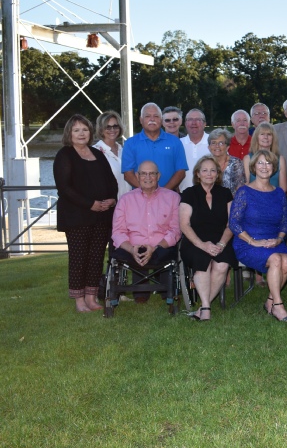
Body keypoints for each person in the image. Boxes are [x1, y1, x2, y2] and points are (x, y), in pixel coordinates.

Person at [54, 115, 118, 312]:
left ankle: (91, 298)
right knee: (79, 258)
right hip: (77, 217)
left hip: (102, 216)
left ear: (90, 132)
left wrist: (111, 199)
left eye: (85, 129)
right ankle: (79, 300)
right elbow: (64, 188)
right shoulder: (65, 155)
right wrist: (90, 204)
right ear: (69, 134)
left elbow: (111, 181)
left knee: (96, 257)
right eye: (76, 130)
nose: (81, 133)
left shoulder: (98, 154)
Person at [228, 150, 287, 321]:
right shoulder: (244, 192)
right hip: (247, 242)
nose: (264, 167)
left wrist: (279, 239)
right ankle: (278, 306)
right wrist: (253, 241)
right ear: (253, 167)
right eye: (260, 163)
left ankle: (270, 301)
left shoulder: (279, 193)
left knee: (286, 261)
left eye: (268, 163)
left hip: (273, 240)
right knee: (276, 260)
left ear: (273, 168)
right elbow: (234, 223)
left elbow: (285, 222)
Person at [111, 160, 182, 303]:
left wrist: (155, 247)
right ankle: (141, 293)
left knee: (165, 252)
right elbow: (118, 232)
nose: (148, 177)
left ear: (159, 176)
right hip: (133, 247)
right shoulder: (125, 199)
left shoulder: (173, 198)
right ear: (137, 176)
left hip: (161, 247)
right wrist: (131, 249)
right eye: (143, 174)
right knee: (134, 251)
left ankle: (165, 290)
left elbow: (175, 230)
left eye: (152, 174)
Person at [179, 155, 237, 321]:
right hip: (195, 240)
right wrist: (202, 245)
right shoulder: (189, 193)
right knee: (202, 260)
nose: (209, 174)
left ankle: (205, 306)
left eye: (213, 170)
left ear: (218, 174)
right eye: (205, 170)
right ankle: (205, 307)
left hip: (221, 239)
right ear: (198, 174)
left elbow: (231, 224)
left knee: (222, 264)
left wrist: (221, 243)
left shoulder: (226, 193)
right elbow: (184, 225)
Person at [122, 103, 188, 191]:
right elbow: (128, 174)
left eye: (156, 116)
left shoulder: (175, 141)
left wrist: (163, 193)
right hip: (140, 198)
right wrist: (146, 191)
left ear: (161, 120)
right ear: (141, 120)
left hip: (169, 197)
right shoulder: (130, 143)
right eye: (147, 116)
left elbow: (181, 172)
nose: (152, 119)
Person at [93, 110, 130, 199]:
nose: (112, 130)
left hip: (129, 203)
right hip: (108, 205)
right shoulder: (95, 152)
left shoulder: (125, 150)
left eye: (115, 126)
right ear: (101, 130)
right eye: (108, 127)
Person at [244, 122, 287, 192]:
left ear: (273, 138)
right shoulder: (248, 159)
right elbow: (245, 185)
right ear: (256, 137)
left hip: (274, 198)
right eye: (262, 134)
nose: (266, 137)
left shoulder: (280, 159)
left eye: (269, 134)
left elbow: (283, 188)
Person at [179, 109, 211, 192]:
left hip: (211, 196)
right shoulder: (178, 144)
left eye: (198, 119)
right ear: (185, 124)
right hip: (184, 195)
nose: (194, 123)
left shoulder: (213, 142)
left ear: (204, 124)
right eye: (190, 119)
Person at [208, 128, 246, 193]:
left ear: (227, 147)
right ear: (209, 147)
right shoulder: (205, 164)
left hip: (231, 202)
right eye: (213, 143)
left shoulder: (236, 163)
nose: (217, 146)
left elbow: (240, 190)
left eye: (221, 143)